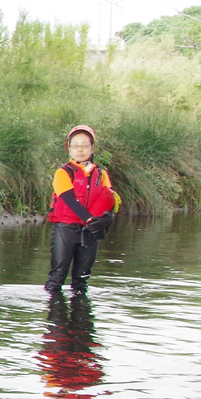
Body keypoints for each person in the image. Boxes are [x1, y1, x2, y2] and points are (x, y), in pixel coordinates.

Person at [46, 124, 119, 295]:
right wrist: (91, 220)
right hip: (66, 228)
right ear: (69, 149)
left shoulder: (101, 174)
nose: (80, 150)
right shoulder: (63, 173)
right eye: (75, 146)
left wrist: (107, 218)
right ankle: (55, 318)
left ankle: (82, 319)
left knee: (82, 279)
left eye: (85, 145)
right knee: (57, 276)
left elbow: (109, 199)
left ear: (92, 148)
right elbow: (69, 199)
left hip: (90, 231)